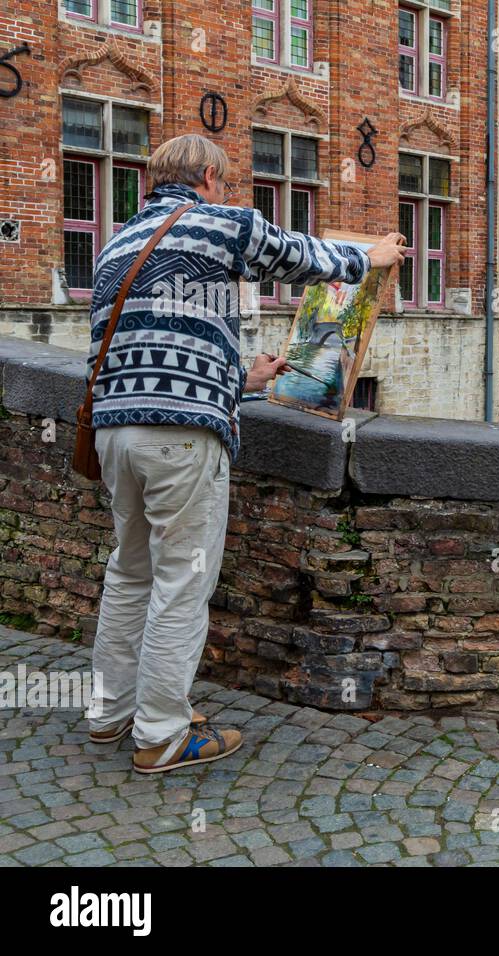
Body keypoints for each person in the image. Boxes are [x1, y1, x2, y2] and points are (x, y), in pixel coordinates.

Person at [84, 134, 407, 773]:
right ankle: (162, 734)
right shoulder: (222, 223)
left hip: (113, 430)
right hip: (180, 437)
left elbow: (151, 347)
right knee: (182, 581)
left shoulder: (117, 243)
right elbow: (294, 255)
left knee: (129, 572)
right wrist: (366, 255)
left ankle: (110, 712)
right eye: (227, 183)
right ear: (207, 176)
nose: (230, 194)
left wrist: (242, 379)